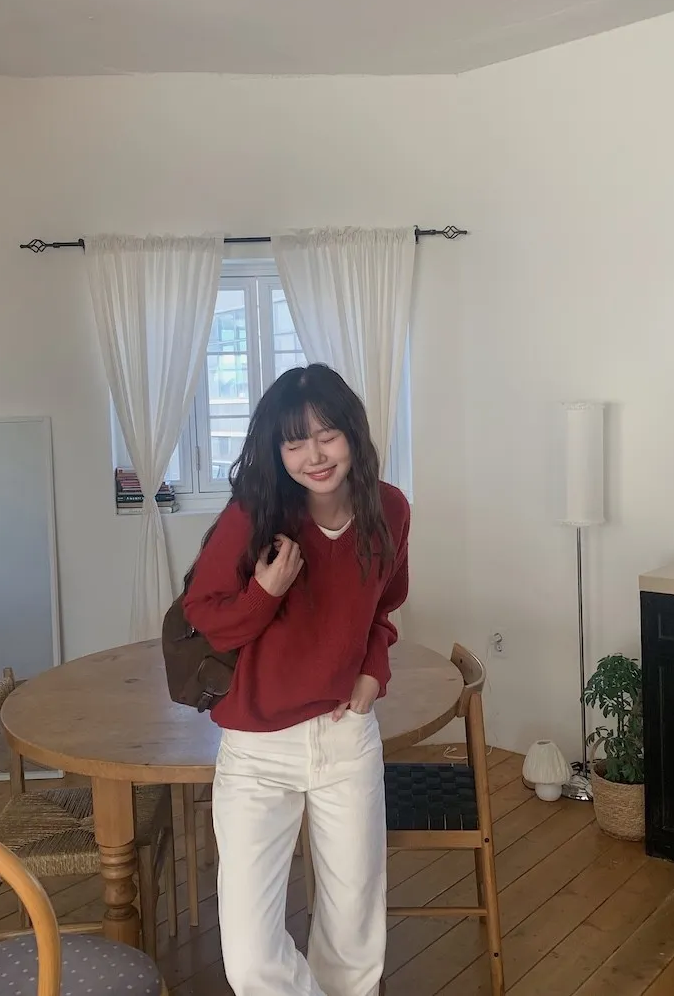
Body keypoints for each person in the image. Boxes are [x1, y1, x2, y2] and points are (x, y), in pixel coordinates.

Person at [183, 363, 410, 996]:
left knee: (353, 940)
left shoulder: (390, 509)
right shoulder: (255, 513)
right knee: (251, 957)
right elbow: (205, 615)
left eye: (327, 435)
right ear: (277, 450)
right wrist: (265, 592)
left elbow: (384, 607)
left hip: (346, 738)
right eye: (295, 442)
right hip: (257, 749)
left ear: (353, 434)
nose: (315, 455)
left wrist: (374, 670)